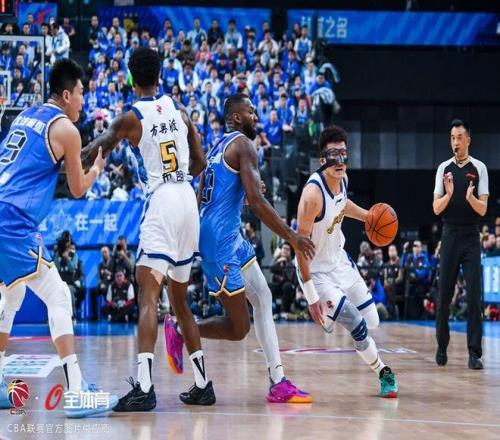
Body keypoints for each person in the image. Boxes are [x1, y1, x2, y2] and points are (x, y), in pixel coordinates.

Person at [165, 94, 315, 403]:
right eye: (251, 111)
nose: (256, 116)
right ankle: (180, 328)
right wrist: (292, 237)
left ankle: (278, 381)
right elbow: (257, 204)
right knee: (238, 328)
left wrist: (245, 191)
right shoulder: (244, 145)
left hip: (227, 236)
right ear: (236, 117)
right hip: (220, 243)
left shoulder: (217, 148)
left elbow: (210, 198)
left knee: (264, 297)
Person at [81, 47, 209, 409]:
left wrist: (67, 159)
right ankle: (203, 383)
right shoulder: (180, 112)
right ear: (159, 75)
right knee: (180, 301)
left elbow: (98, 148)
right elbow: (199, 162)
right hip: (187, 199)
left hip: (163, 199)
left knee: (148, 295)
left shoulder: (131, 117)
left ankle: (144, 386)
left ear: (130, 77)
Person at [0, 59, 117, 417]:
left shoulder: (25, 115)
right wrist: (96, 169)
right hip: (12, 221)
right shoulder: (67, 129)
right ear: (66, 95)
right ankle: (76, 391)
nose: (83, 100)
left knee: (11, 295)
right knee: (58, 295)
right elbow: (78, 189)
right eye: (81, 93)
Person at [294, 124, 398, 398]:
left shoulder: (343, 180)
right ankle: (384, 373)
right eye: (333, 154)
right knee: (356, 323)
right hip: (316, 270)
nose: (340, 160)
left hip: (339, 261)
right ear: (322, 159)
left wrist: (369, 217)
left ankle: (331, 314)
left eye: (343, 153)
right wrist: (311, 297)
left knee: (373, 320)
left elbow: (342, 204)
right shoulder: (312, 196)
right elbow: (298, 246)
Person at [433, 119, 489, 369]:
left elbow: (483, 208)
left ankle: (474, 353)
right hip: (450, 235)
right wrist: (448, 194)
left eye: (459, 137)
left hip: (471, 236)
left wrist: (470, 198)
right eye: (452, 138)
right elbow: (436, 208)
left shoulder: (479, 168)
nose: (455, 142)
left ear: (468, 140)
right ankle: (441, 346)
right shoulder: (443, 168)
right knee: (444, 296)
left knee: (475, 296)